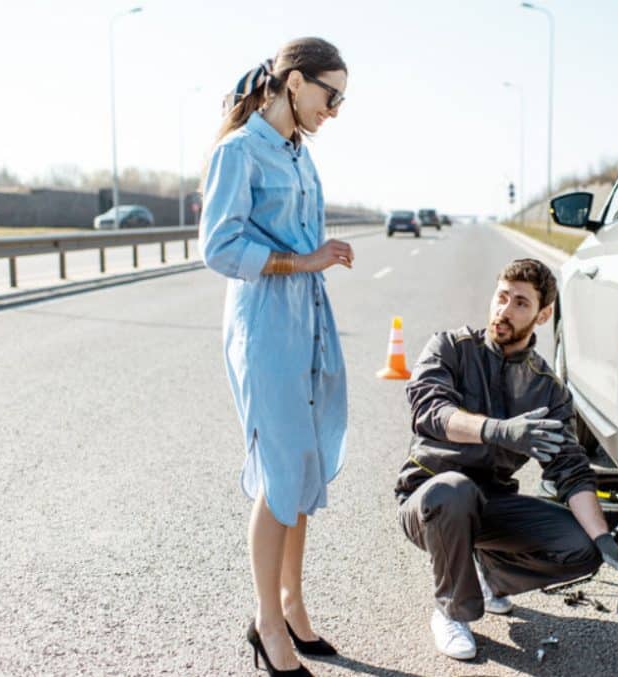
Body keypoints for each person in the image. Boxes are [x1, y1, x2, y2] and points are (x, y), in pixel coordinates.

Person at [199, 37, 352, 677]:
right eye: (330, 95)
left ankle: (291, 603)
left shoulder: (299, 154)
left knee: (306, 462)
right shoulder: (239, 151)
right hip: (265, 325)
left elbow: (301, 233)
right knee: (279, 470)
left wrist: (318, 256)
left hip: (308, 319)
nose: (335, 110)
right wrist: (303, 260)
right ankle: (267, 624)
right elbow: (218, 245)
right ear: (294, 82)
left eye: (342, 99)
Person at [395, 258, 618, 661]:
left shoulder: (547, 389)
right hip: (430, 498)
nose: (504, 310)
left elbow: (570, 470)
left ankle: (487, 575)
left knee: (582, 545)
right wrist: (497, 430)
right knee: (454, 491)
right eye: (501, 297)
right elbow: (429, 412)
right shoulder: (450, 348)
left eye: (520, 303)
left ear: (543, 315)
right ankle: (451, 610)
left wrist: (604, 540)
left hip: (492, 505)